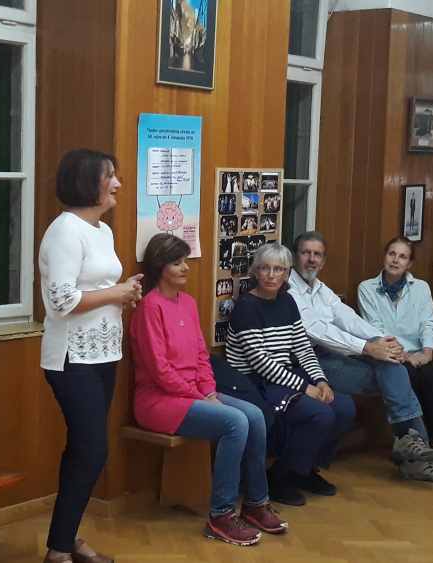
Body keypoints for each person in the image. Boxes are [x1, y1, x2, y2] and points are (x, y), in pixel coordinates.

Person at [130, 234, 286, 547]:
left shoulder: (187, 303)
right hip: (158, 401)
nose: (186, 268)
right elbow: (160, 371)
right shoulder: (149, 307)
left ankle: (255, 503)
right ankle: (221, 516)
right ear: (160, 267)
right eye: (177, 263)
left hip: (194, 394)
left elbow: (202, 357)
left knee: (254, 415)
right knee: (235, 421)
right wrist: (200, 396)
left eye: (185, 261)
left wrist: (209, 392)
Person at [39, 149, 143, 563]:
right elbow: (62, 300)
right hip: (70, 358)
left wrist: (124, 293)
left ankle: (64, 541)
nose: (117, 184)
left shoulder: (102, 231)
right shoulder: (65, 231)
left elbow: (97, 290)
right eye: (109, 176)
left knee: (86, 451)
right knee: (92, 450)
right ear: (88, 182)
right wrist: (117, 292)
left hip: (104, 354)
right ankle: (60, 547)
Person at [288, 232, 433, 483]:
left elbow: (348, 318)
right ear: (295, 257)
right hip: (308, 363)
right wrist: (367, 348)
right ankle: (417, 455)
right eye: (305, 253)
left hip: (334, 355)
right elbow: (318, 331)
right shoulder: (289, 289)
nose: (311, 259)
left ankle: (412, 448)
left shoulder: (320, 289)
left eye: (317, 254)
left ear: (323, 260)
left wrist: (383, 341)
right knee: (393, 371)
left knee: (391, 365)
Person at [226, 243, 356, 507]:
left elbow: (303, 348)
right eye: (265, 268)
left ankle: (306, 470)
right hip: (256, 383)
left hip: (285, 376)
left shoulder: (287, 301)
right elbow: (260, 362)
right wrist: (305, 388)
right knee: (319, 414)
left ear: (287, 274)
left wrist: (320, 380)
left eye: (278, 269)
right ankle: (281, 476)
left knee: (344, 407)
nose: (271, 275)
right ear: (255, 271)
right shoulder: (246, 307)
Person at [358, 237, 433, 461]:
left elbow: (428, 322)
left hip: (418, 353)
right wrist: (404, 355)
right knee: (407, 375)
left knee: (430, 375)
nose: (395, 260)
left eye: (402, 256)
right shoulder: (366, 288)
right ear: (384, 256)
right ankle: (414, 443)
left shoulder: (421, 288)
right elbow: (375, 329)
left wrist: (427, 352)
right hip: (386, 354)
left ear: (409, 264)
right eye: (392, 254)